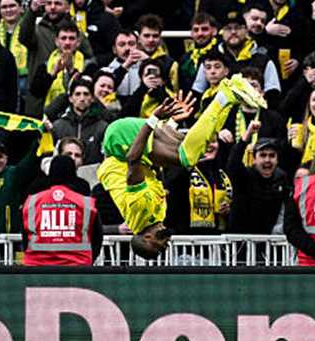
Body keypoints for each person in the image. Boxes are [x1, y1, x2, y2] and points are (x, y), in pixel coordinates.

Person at [97, 76, 266, 258]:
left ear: (147, 238)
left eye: (159, 247)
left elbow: (133, 159)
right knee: (191, 149)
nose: (166, 246)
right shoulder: (156, 216)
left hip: (120, 143)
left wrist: (154, 119)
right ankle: (230, 98)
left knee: (186, 158)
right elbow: (155, 166)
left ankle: (226, 95)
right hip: (124, 147)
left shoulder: (140, 210)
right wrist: (171, 125)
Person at [22, 154, 102, 265]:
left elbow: (25, 237)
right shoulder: (86, 203)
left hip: (37, 265)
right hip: (77, 265)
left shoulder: (32, 201)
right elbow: (97, 237)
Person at [227, 127, 289, 235]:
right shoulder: (244, 176)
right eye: (263, 155)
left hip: (268, 240)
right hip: (240, 239)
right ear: (254, 159)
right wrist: (247, 135)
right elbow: (233, 163)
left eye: (272, 156)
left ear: (277, 159)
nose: (267, 160)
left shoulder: (281, 178)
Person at [50, 79, 109, 165]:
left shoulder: (102, 127)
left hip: (92, 171)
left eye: (86, 94)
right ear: (70, 98)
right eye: (77, 94)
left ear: (92, 98)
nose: (82, 98)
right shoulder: (58, 126)